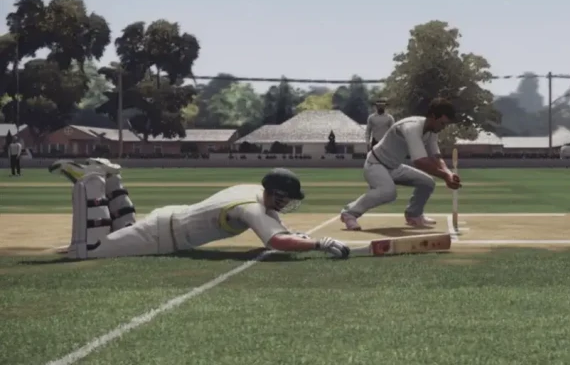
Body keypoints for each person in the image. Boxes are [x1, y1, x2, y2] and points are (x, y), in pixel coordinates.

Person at [49, 159, 351, 261]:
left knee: (123, 229)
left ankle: (111, 177)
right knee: (87, 251)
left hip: (167, 220)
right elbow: (275, 241)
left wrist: (298, 236)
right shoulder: (250, 208)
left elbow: (278, 226)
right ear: (272, 193)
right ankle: (89, 181)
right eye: (283, 198)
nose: (285, 204)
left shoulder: (252, 192)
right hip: (162, 236)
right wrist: (318, 244)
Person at [340, 98, 461, 230]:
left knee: (427, 183)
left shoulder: (432, 131)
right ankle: (349, 213)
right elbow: (420, 162)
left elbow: (436, 156)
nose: (443, 127)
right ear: (433, 116)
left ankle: (414, 215)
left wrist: (449, 173)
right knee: (388, 192)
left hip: (394, 167)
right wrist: (445, 177)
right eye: (442, 123)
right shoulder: (412, 127)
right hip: (375, 164)